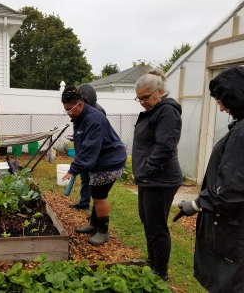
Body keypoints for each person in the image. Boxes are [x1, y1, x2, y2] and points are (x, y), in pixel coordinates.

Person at [174, 66, 244, 292]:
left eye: (224, 102)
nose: (222, 109)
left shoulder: (242, 133)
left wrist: (196, 204)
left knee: (230, 282)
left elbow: (232, 188)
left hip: (236, 229)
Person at [132, 68, 183, 280]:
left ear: (159, 92)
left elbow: (165, 146)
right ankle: (153, 261)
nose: (142, 102)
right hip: (148, 178)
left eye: (146, 97)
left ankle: (160, 272)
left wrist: (147, 169)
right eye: (139, 98)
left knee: (157, 226)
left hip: (160, 179)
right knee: (147, 221)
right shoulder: (155, 110)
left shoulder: (167, 111)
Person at [61, 86, 126, 246]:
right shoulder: (81, 117)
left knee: (99, 196)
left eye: (70, 109)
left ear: (80, 104)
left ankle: (103, 232)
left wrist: (74, 169)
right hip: (100, 160)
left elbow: (90, 148)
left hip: (110, 161)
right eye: (66, 110)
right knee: (95, 192)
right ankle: (94, 225)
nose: (68, 113)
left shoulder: (95, 118)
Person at [68, 83, 106, 210]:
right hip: (82, 149)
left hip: (93, 153)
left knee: (95, 182)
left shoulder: (97, 111)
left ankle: (96, 213)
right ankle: (84, 202)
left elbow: (96, 135)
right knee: (85, 177)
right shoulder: (81, 111)